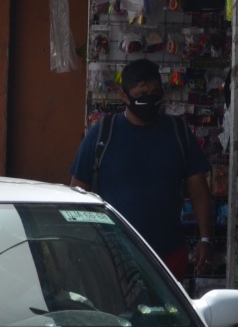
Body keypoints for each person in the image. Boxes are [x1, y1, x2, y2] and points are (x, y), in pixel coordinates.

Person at [68, 58, 213, 279]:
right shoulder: (100, 136)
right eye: (142, 95)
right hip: (112, 258)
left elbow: (199, 191)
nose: (150, 99)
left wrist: (205, 239)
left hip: (168, 257)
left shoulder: (178, 133)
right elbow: (77, 194)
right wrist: (82, 244)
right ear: (123, 95)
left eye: (155, 93)